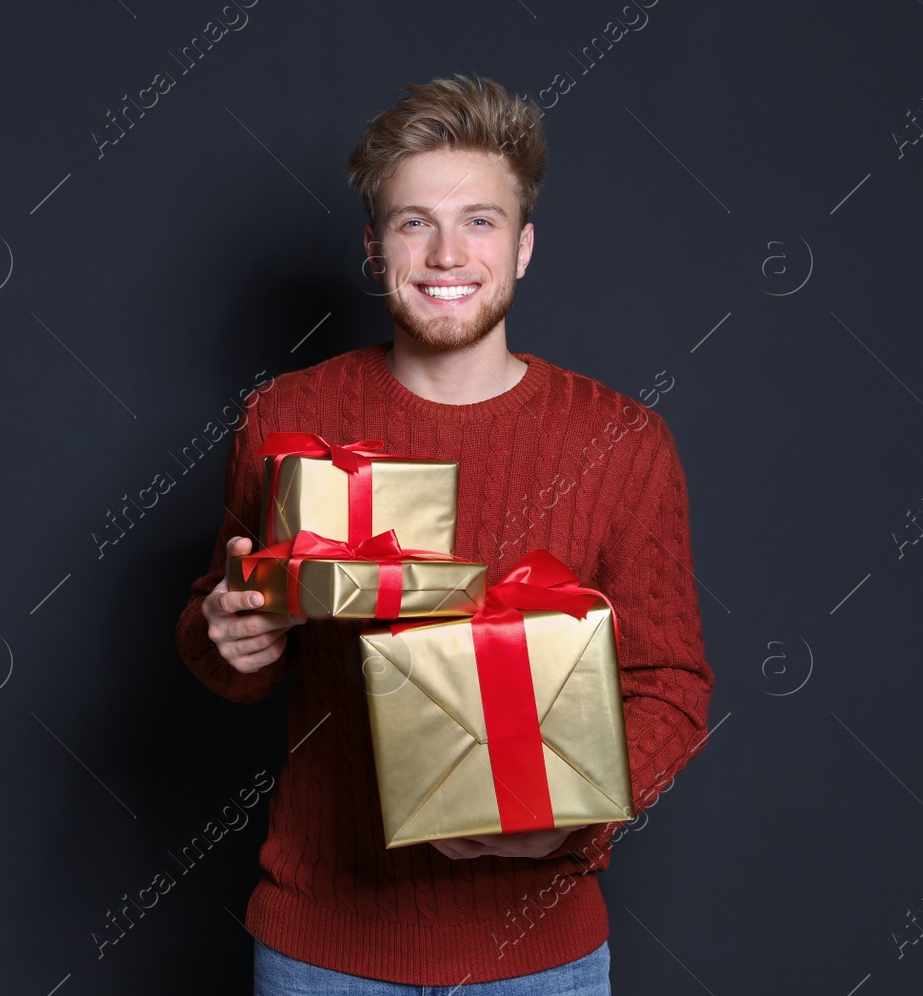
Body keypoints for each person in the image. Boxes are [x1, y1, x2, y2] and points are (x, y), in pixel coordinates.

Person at [174, 74, 715, 994]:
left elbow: (671, 684)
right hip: (321, 950)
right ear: (375, 249)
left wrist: (575, 821)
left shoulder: (622, 443)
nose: (445, 252)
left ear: (525, 245)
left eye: (480, 220)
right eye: (414, 221)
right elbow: (222, 637)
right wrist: (228, 635)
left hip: (538, 958)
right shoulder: (286, 417)